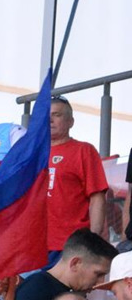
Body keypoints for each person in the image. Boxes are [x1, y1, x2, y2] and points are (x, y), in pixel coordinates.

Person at [46, 96, 109, 256]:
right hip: (35, 246)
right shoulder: (32, 154)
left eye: (57, 115)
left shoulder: (84, 151)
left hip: (71, 246)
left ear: (71, 122)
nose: (50, 120)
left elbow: (97, 198)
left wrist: (92, 242)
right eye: (47, 116)